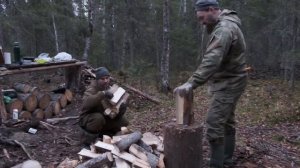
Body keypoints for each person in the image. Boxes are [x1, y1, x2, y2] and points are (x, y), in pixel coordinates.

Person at [174, 0, 247, 167]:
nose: (202, 23)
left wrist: (191, 83)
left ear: (212, 10)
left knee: (214, 123)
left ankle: (217, 164)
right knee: (226, 121)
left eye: (202, 18)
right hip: (230, 79)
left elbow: (212, 60)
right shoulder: (222, 25)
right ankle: (225, 161)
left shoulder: (224, 29)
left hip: (230, 82)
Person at [79, 67, 129, 146]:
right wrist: (102, 94)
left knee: (124, 121)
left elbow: (114, 109)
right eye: (102, 79)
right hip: (89, 119)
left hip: (105, 116)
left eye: (107, 78)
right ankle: (88, 141)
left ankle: (107, 135)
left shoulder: (109, 87)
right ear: (97, 79)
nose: (105, 81)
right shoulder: (92, 89)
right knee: (98, 118)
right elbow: (85, 104)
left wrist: (122, 107)